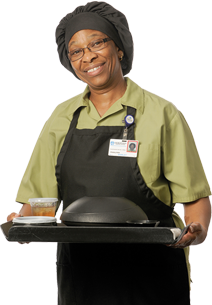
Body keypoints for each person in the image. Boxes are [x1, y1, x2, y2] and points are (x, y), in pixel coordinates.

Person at [7, 2, 211, 305]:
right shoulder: (62, 118)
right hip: (82, 274)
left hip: (152, 271)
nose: (87, 56)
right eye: (75, 51)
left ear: (119, 48)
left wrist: (197, 230)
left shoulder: (161, 115)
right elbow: (38, 200)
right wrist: (18, 221)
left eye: (97, 43)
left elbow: (195, 199)